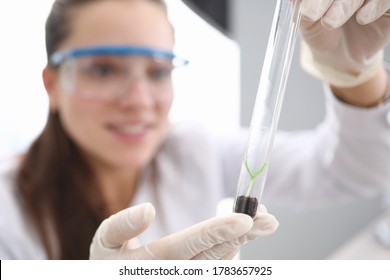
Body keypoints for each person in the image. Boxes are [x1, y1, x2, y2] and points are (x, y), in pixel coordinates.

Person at [0, 0, 389, 260]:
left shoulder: (193, 149)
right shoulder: (7, 212)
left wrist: (355, 74)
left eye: (157, 71)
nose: (139, 100)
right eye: (103, 69)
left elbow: (351, 173)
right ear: (52, 85)